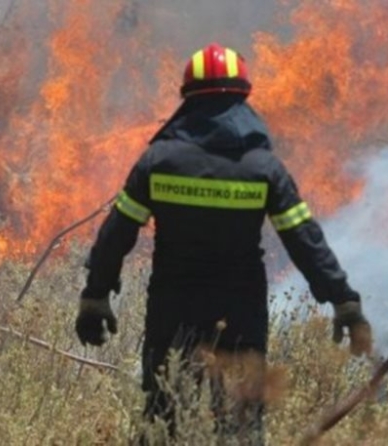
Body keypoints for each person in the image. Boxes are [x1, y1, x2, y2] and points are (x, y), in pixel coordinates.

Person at [75, 43, 372, 444]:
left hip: (172, 309)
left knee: (163, 419)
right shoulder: (262, 167)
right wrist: (343, 300)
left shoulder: (159, 160)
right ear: (243, 99)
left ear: (188, 99)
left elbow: (117, 234)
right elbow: (305, 241)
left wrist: (95, 296)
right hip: (240, 314)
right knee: (240, 426)